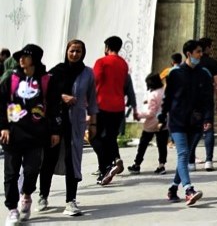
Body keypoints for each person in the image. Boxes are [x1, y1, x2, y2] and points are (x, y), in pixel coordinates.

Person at [0, 44, 61, 226]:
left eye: (26, 56)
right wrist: (3, 127)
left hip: (36, 135)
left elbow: (54, 107)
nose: (21, 59)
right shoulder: (10, 78)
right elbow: (0, 104)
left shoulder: (46, 80)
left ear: (35, 59)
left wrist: (55, 131)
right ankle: (12, 209)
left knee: (31, 170)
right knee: (11, 174)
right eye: (20, 56)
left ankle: (26, 196)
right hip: (12, 134)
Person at [39, 39, 97, 217]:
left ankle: (71, 201)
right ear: (66, 51)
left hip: (75, 124)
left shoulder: (88, 73)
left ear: (83, 53)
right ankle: (43, 196)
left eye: (78, 51)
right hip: (54, 122)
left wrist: (93, 123)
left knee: (73, 162)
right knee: (49, 158)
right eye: (72, 51)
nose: (74, 54)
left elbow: (93, 99)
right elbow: (44, 93)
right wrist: (62, 96)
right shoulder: (56, 72)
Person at [159, 40, 212, 206]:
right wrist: (162, 116)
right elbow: (168, 97)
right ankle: (189, 190)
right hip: (177, 120)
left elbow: (207, 99)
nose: (200, 55)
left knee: (186, 154)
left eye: (201, 52)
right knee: (183, 154)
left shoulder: (204, 73)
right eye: (198, 52)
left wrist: (208, 118)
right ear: (188, 53)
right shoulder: (175, 73)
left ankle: (173, 188)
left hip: (195, 121)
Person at [92, 36, 130, 185]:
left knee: (94, 137)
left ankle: (105, 168)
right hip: (118, 106)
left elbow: (93, 81)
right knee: (110, 137)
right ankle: (114, 159)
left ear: (107, 47)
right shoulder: (123, 64)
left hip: (101, 105)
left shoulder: (101, 62)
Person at [190, 38, 217, 172]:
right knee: (208, 130)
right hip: (206, 100)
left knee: (192, 131)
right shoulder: (213, 63)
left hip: (192, 102)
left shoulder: (191, 64)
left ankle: (191, 161)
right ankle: (209, 160)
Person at [128, 73, 167, 175]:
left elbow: (151, 113)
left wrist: (138, 115)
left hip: (152, 123)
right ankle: (161, 165)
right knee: (162, 145)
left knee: (143, 145)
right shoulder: (164, 91)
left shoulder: (153, 94)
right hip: (164, 122)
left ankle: (137, 165)